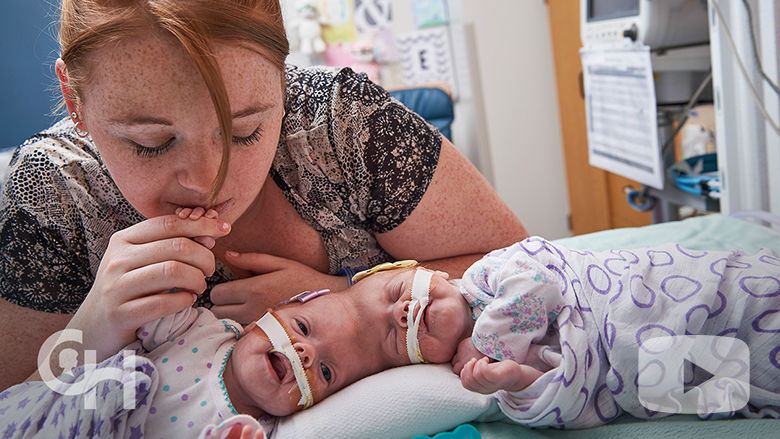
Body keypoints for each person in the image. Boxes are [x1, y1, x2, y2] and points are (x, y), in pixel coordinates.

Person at [0, 0, 527, 390]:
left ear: (282, 82)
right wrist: (92, 329)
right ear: (75, 100)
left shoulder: (346, 127)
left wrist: (346, 299)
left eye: (244, 131)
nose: (209, 180)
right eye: (151, 143)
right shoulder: (53, 196)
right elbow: (13, 405)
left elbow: (523, 272)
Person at [342, 238, 780, 428]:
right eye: (392, 336)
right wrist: (515, 382)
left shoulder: (487, 276)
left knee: (750, 302)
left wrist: (486, 341)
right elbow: (570, 396)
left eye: (398, 292)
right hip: (647, 370)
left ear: (427, 272)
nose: (402, 313)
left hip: (655, 297)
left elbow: (539, 282)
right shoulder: (490, 365)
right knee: (746, 379)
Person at [0, 258, 405, 438]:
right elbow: (159, 297)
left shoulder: (255, 430)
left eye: (327, 372)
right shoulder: (199, 330)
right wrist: (192, 241)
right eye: (302, 327)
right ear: (270, 312)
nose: (306, 353)